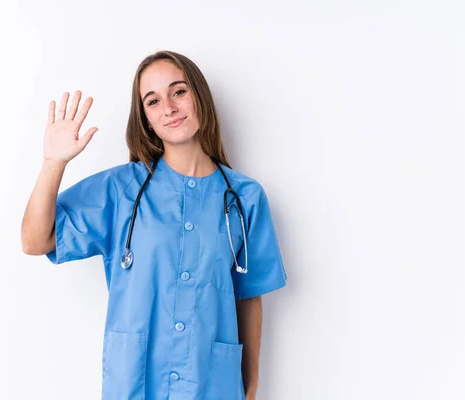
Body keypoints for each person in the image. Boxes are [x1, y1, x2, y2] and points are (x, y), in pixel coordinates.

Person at [21, 50, 288, 400]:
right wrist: (53, 163)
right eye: (153, 101)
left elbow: (249, 296)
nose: (169, 107)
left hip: (212, 385)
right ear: (146, 118)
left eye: (178, 91)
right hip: (136, 381)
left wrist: (250, 390)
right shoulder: (120, 190)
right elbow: (35, 241)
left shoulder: (244, 197)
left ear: (199, 97)